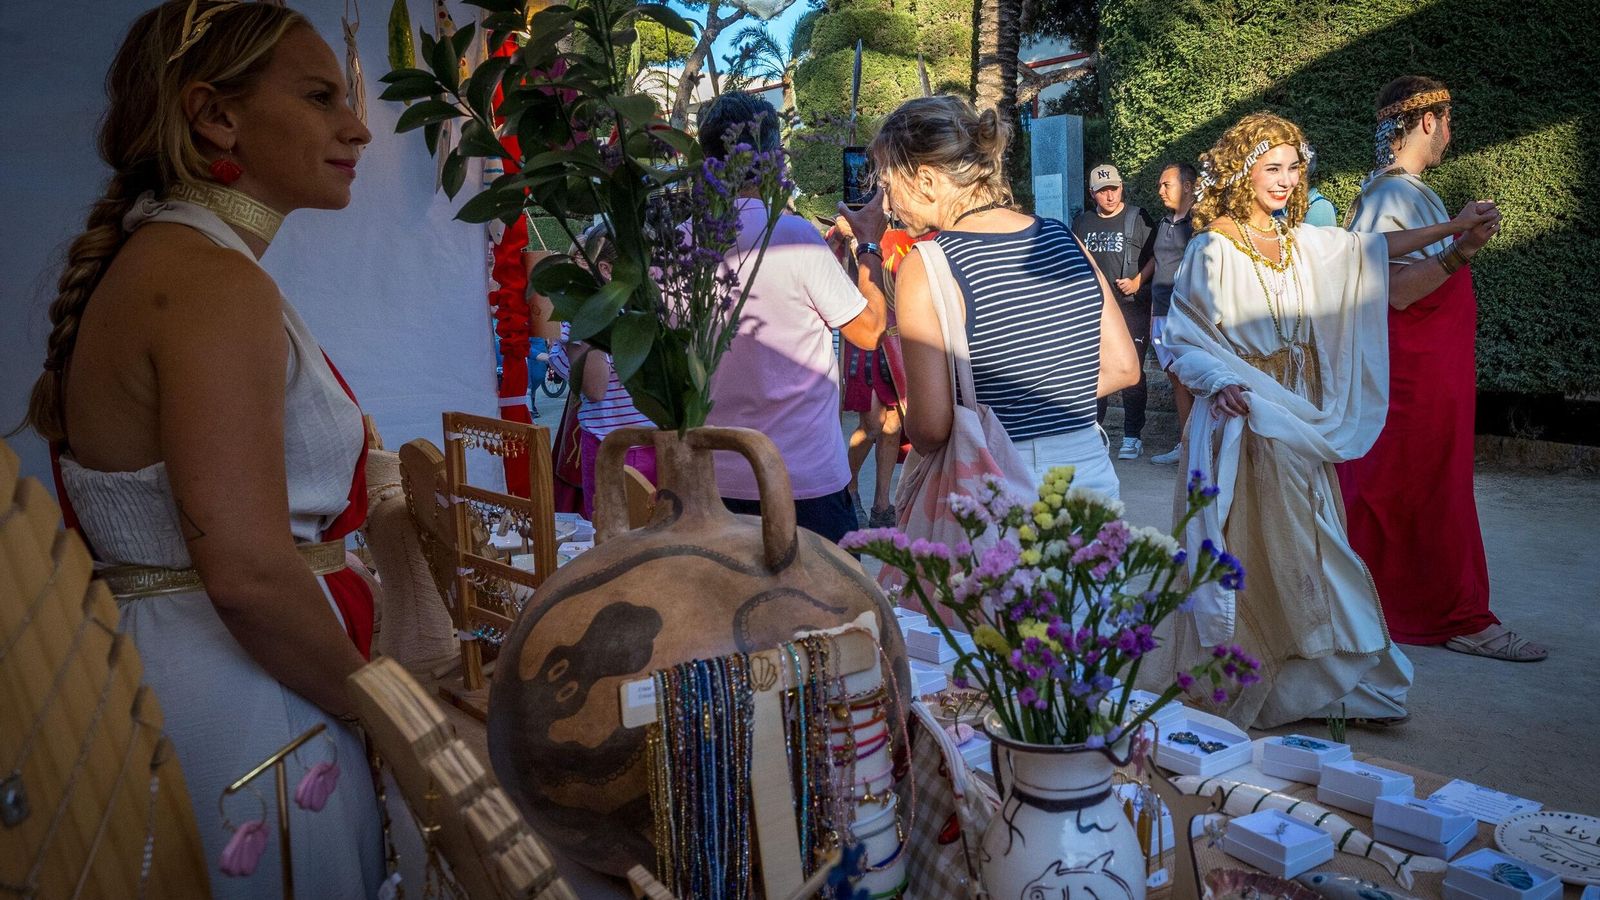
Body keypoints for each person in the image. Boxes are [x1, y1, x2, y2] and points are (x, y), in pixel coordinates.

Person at [17, 2, 383, 895]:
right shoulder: (209, 282)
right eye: (321, 97)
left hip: (196, 674)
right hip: (244, 700)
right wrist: (391, 713)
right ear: (216, 116)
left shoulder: (177, 263)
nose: (358, 128)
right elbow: (249, 576)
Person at [1158, 112, 1500, 729]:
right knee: (1255, 554)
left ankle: (1314, 681)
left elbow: (1370, 252)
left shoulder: (1300, 243)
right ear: (1242, 172)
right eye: (1272, 168)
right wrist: (1220, 382)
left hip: (1298, 419)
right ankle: (1253, 679)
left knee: (1313, 548)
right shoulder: (1214, 248)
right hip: (1242, 422)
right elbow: (1182, 339)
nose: (1286, 180)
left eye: (1294, 168)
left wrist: (1456, 234)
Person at [1340, 77, 1545, 661]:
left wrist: (1462, 245)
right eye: (1448, 121)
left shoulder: (1400, 192)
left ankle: (1398, 607)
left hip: (1427, 371)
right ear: (1428, 121)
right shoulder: (1390, 196)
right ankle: (1453, 617)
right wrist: (1464, 247)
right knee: (1422, 490)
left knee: (1415, 489)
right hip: (1413, 379)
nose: (1450, 133)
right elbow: (1398, 291)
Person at [856, 95, 1140, 498]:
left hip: (999, 481)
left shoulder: (929, 264)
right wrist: (1046, 400)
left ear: (925, 180)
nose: (889, 203)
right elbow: (1124, 367)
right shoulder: (1063, 237)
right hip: (1091, 473)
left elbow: (930, 428)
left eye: (889, 185)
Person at [697, 91, 891, 544]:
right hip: (802, 481)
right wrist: (868, 246)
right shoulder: (792, 235)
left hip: (710, 481)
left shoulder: (680, 243)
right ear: (772, 160)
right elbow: (869, 331)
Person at [545, 223, 658, 520]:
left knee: (625, 537)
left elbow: (594, 389)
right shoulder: (591, 310)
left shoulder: (654, 304)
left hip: (637, 443)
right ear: (606, 269)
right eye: (639, 261)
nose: (650, 269)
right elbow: (597, 388)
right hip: (623, 443)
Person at [1072, 164, 1156, 459]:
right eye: (1103, 191)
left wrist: (1137, 281)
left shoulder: (1138, 217)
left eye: (1114, 189)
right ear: (1092, 193)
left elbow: (1157, 255)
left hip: (1132, 308)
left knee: (1132, 372)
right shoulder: (1082, 222)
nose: (1110, 196)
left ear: (1122, 187)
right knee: (1095, 371)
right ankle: (1094, 432)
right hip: (1094, 309)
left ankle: (1132, 436)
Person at [1148, 162, 1198, 465]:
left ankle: (1199, 446)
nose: (1160, 191)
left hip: (1185, 314)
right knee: (1176, 379)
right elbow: (1158, 262)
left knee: (1193, 379)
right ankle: (1185, 444)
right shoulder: (1165, 222)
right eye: (1160, 185)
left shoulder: (1200, 223)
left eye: (1167, 184)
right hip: (1160, 311)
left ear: (1188, 187)